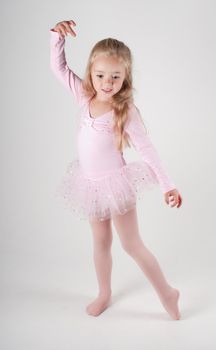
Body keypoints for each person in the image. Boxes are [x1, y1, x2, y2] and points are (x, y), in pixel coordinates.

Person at [49, 20, 183, 320]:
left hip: (116, 185)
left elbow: (148, 151)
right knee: (100, 242)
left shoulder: (125, 111)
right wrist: (57, 38)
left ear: (125, 76)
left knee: (131, 244)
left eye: (115, 76)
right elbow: (59, 69)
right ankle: (104, 293)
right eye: (100, 75)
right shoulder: (84, 96)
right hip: (90, 186)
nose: (107, 82)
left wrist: (167, 185)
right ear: (90, 74)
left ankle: (167, 293)